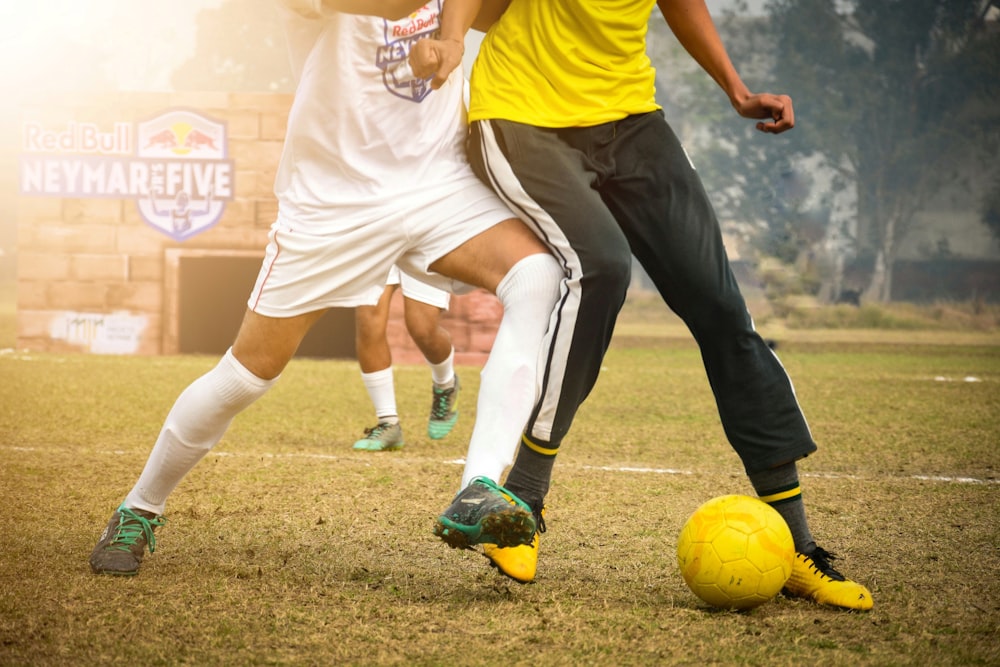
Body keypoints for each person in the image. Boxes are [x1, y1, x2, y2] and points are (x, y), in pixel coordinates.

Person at [412, 0, 873, 610]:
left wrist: (735, 89)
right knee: (600, 265)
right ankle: (523, 497)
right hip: (520, 115)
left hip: (630, 119)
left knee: (722, 310)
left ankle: (798, 546)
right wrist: (448, 39)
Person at [88, 0, 564, 577]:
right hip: (334, 200)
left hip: (437, 181)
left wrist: (462, 32)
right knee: (246, 373)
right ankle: (139, 507)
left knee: (537, 275)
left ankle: (479, 486)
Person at [351, 266, 461, 452]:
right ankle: (388, 422)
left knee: (422, 329)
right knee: (368, 318)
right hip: (379, 238)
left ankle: (445, 383)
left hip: (424, 240)